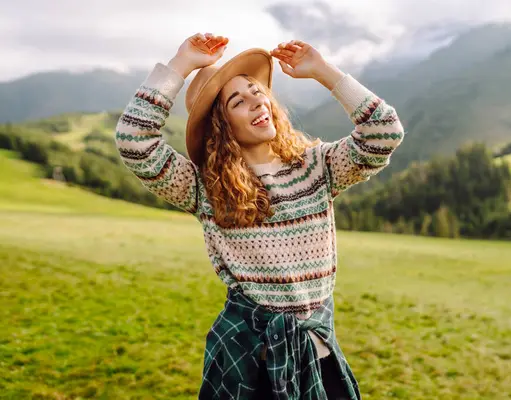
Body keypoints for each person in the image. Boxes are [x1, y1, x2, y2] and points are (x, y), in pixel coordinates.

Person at [115, 31, 405, 399]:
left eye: (257, 91)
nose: (256, 101)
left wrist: (324, 71)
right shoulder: (204, 187)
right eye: (238, 100)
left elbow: (383, 133)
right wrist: (181, 64)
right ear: (221, 126)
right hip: (248, 364)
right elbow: (134, 141)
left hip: (319, 357)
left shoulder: (316, 167)